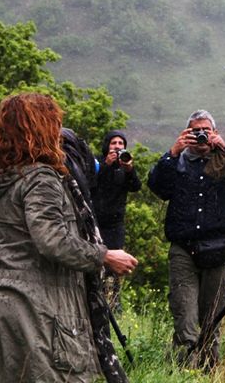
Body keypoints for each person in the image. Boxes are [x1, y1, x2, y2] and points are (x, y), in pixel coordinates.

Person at [0, 93, 138, 383]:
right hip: (34, 307)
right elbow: (51, 239)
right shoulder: (40, 178)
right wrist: (104, 256)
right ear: (40, 127)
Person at [147, 109, 225, 369]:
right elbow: (157, 187)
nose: (200, 135)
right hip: (183, 249)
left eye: (205, 131)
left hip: (219, 248)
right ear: (186, 133)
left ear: (214, 133)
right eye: (195, 131)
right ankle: (186, 371)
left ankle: (209, 371)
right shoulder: (176, 162)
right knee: (184, 316)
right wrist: (172, 152)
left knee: (213, 317)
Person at [92, 129, 142, 311]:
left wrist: (129, 169)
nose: (117, 147)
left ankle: (113, 304)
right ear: (107, 145)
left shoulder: (125, 166)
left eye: (121, 144)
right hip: (96, 223)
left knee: (114, 266)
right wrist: (106, 164)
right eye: (114, 143)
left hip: (115, 225)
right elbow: (91, 183)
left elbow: (136, 186)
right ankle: (94, 300)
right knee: (96, 262)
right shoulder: (97, 162)